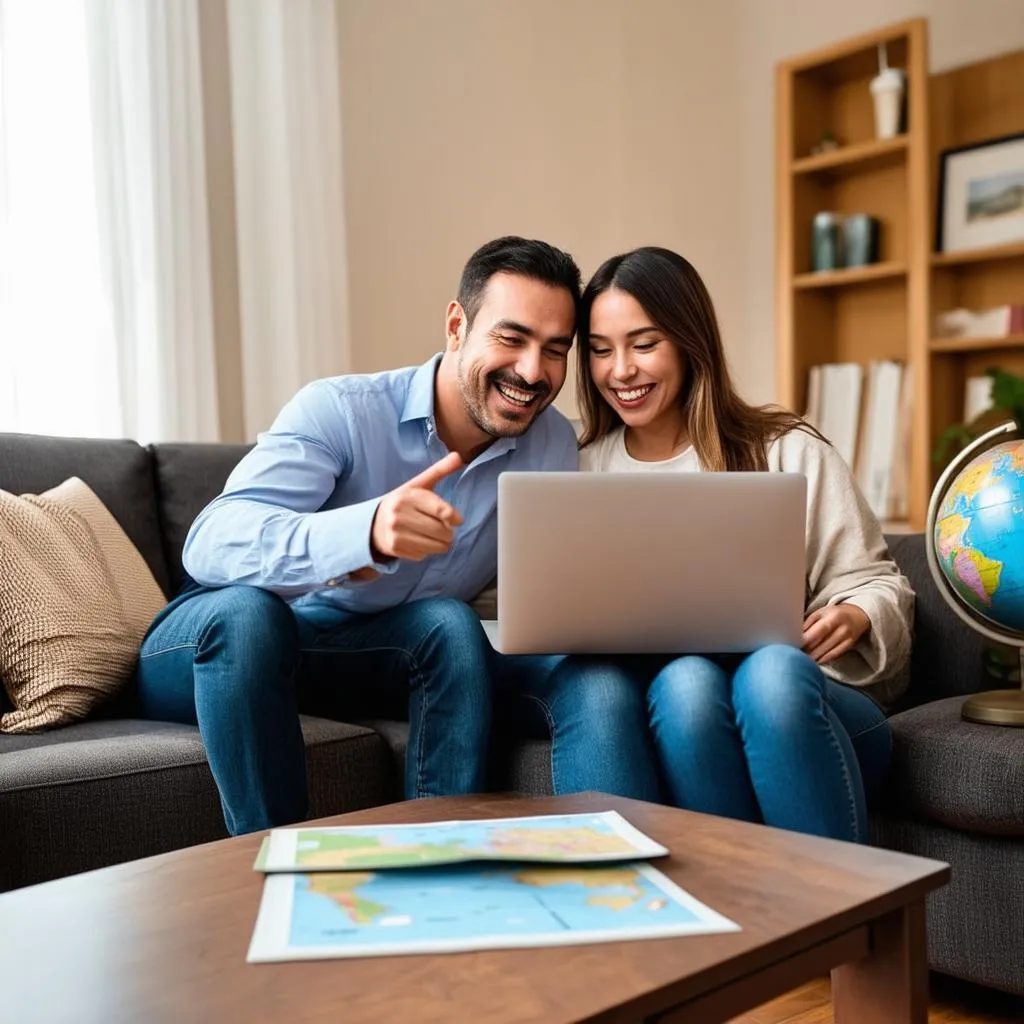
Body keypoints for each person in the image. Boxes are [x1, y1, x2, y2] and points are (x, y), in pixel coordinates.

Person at [136, 236, 583, 835]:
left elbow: (548, 594)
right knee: (248, 616)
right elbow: (211, 541)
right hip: (215, 647)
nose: (533, 371)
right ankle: (274, 872)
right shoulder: (342, 410)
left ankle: (440, 864)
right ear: (457, 326)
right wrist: (365, 531)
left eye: (555, 350)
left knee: (448, 624)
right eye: (512, 338)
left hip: (354, 654)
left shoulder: (551, 444)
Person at [570, 245, 915, 843]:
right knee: (686, 683)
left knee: (772, 672)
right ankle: (756, 911)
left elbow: (880, 582)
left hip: (811, 707)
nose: (620, 370)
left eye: (644, 344)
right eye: (601, 350)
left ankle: (837, 911)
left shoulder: (785, 448)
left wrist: (856, 614)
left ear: (689, 340)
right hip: (684, 707)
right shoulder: (576, 470)